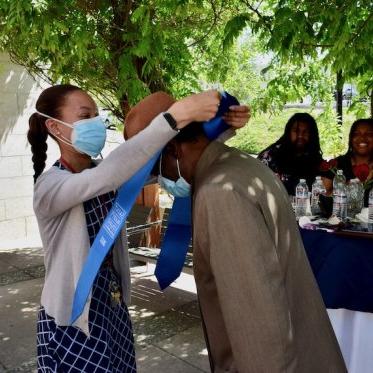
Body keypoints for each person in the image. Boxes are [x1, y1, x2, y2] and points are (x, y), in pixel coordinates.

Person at [124, 92, 347, 373]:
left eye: (158, 171)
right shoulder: (242, 166)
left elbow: (259, 324)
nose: (163, 181)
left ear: (173, 151)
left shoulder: (220, 193)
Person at [28, 84, 244, 372]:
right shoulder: (50, 187)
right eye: (85, 115)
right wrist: (171, 118)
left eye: (96, 114)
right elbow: (106, 177)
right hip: (72, 317)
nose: (96, 121)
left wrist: (224, 127)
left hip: (111, 308)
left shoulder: (103, 172)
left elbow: (160, 164)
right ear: (55, 127)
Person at [257, 113, 324, 195]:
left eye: (305, 132)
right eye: (296, 131)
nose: (300, 136)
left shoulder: (313, 156)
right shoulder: (270, 156)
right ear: (288, 132)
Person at [322, 118, 373, 206]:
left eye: (369, 134)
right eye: (356, 134)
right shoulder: (336, 164)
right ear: (350, 138)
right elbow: (321, 196)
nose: (362, 138)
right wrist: (347, 187)